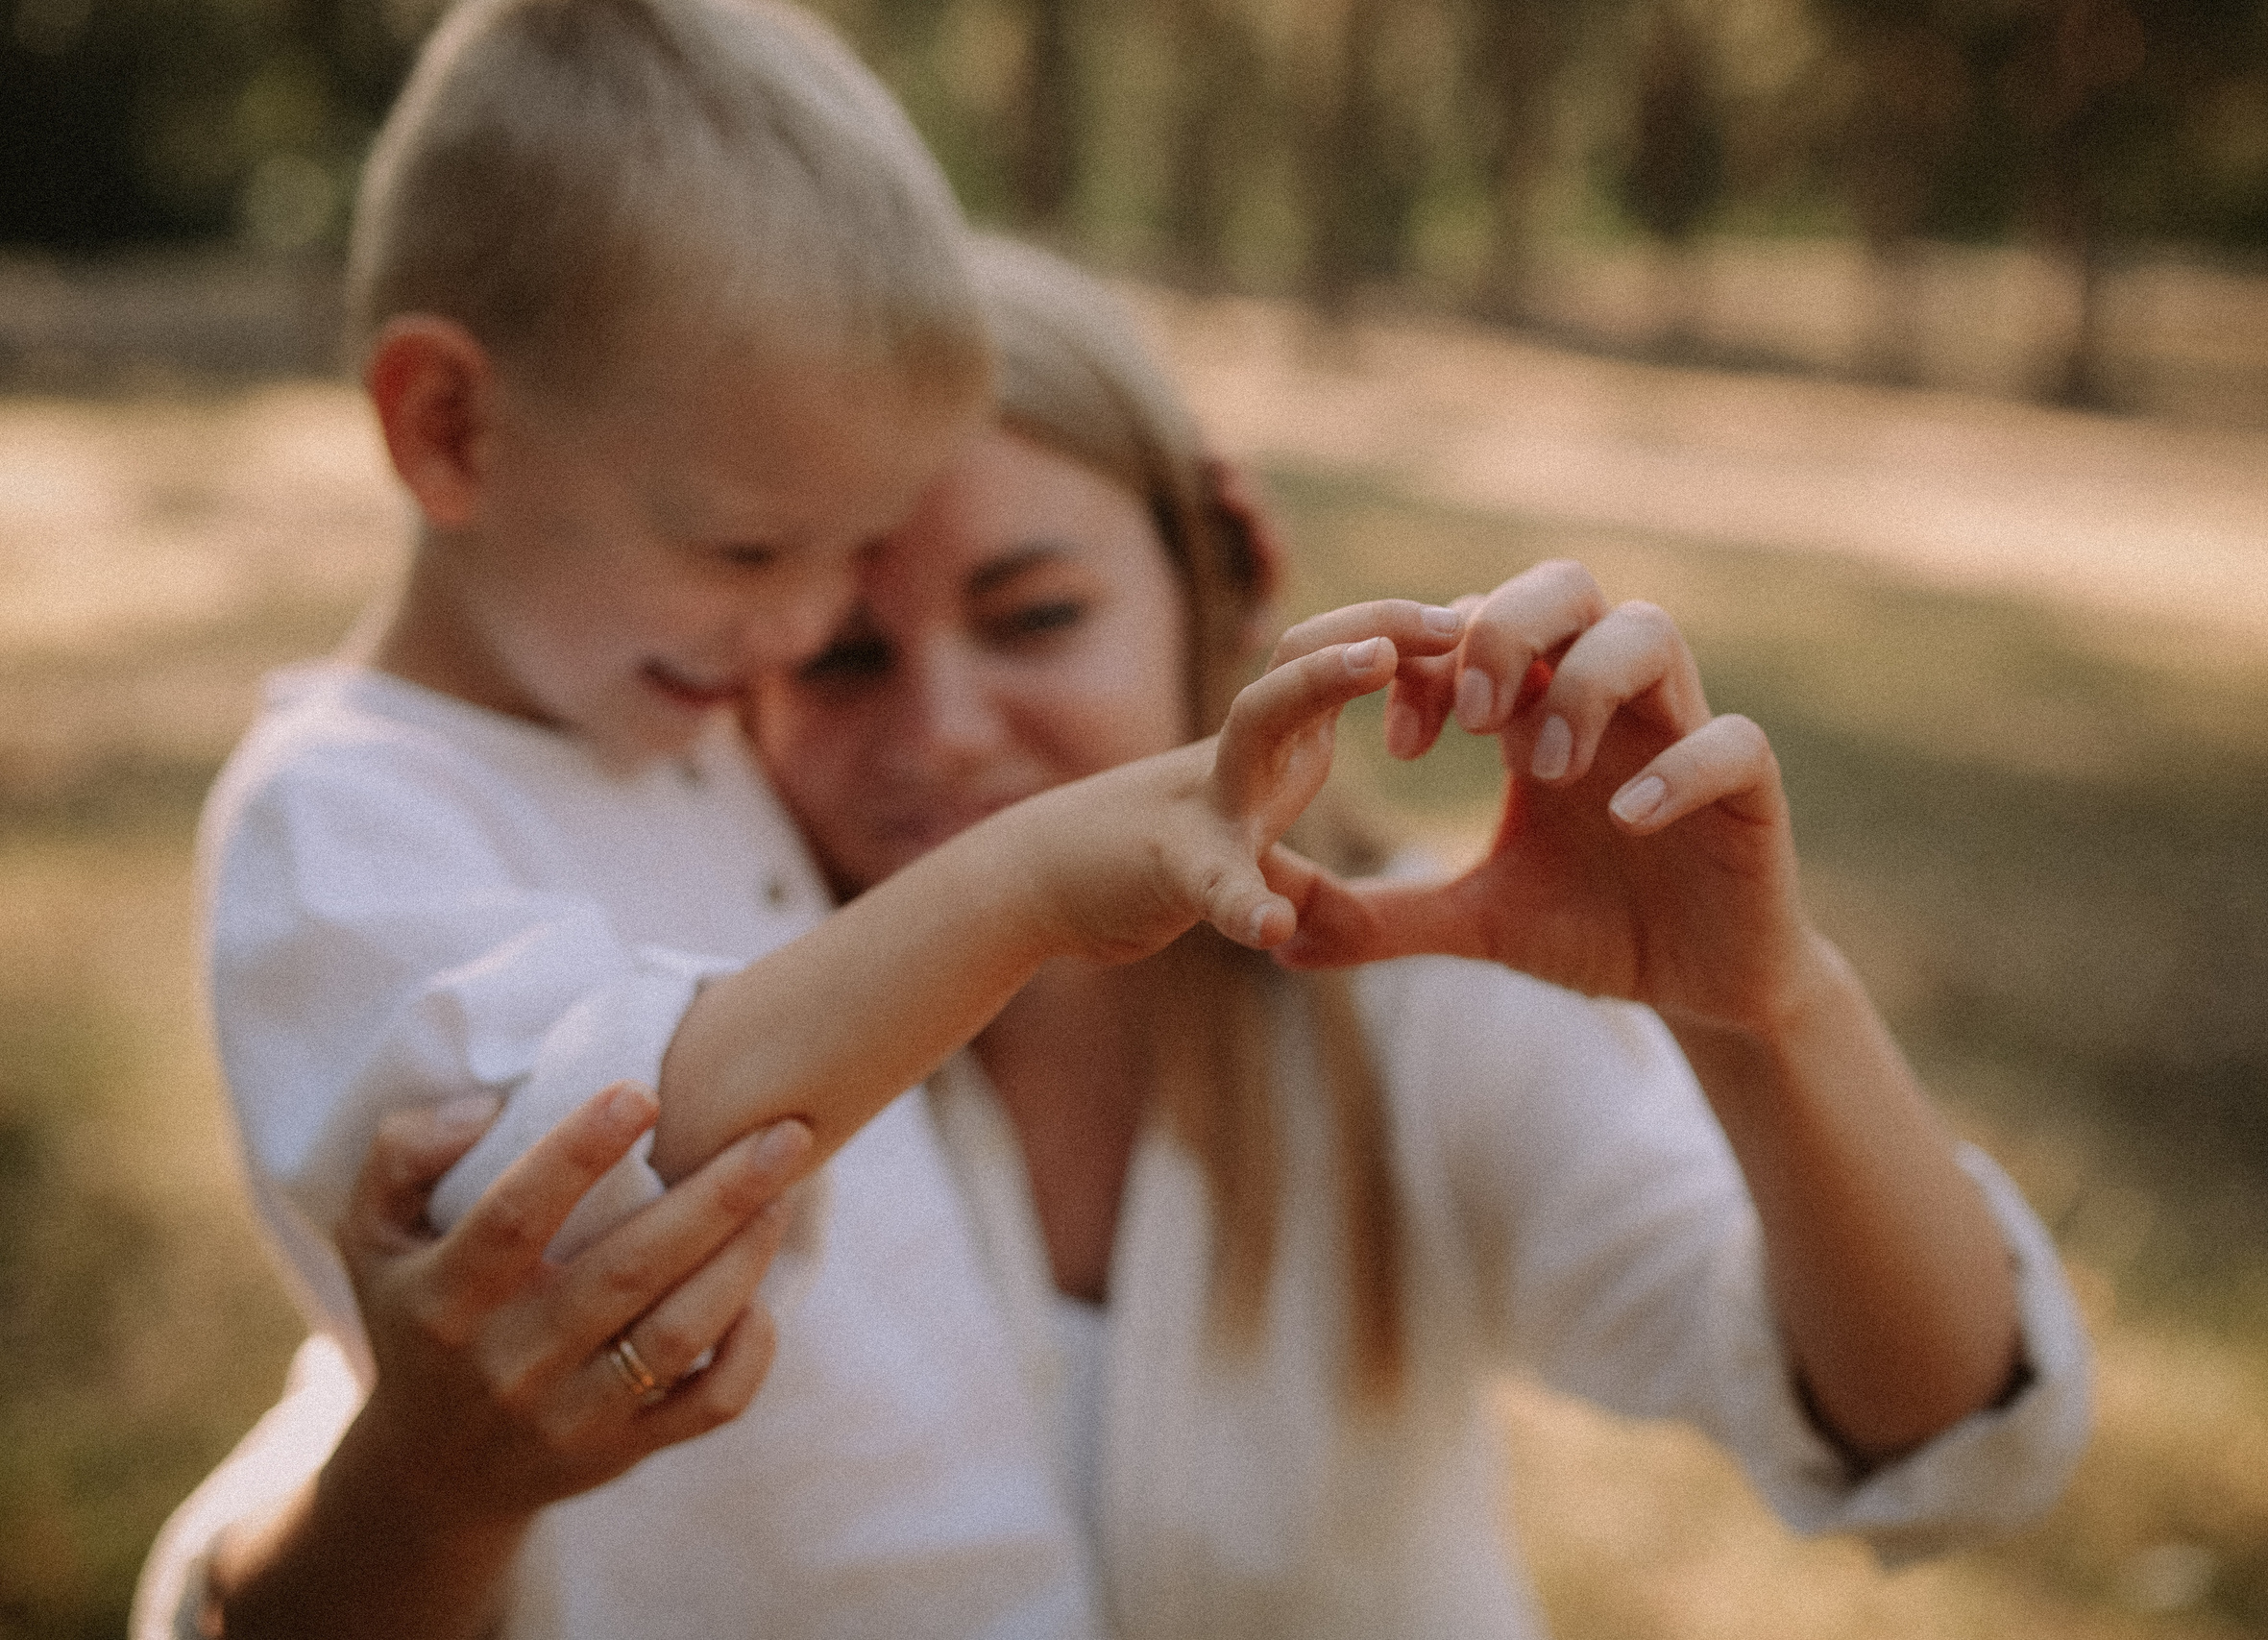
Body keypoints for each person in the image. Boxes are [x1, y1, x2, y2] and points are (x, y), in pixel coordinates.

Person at [152, 0, 1465, 1631]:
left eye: (850, 553)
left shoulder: (661, 722)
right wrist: (1026, 883)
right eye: (751, 550)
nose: (798, 629)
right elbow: (603, 1180)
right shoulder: (343, 826)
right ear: (448, 428)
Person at [737, 235, 2096, 1631]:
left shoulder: (1417, 987)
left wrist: (1766, 1010)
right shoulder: (707, 1029)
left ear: (1221, 581)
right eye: (839, 656)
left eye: (1034, 617)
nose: (943, 731)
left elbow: (1947, 1440)